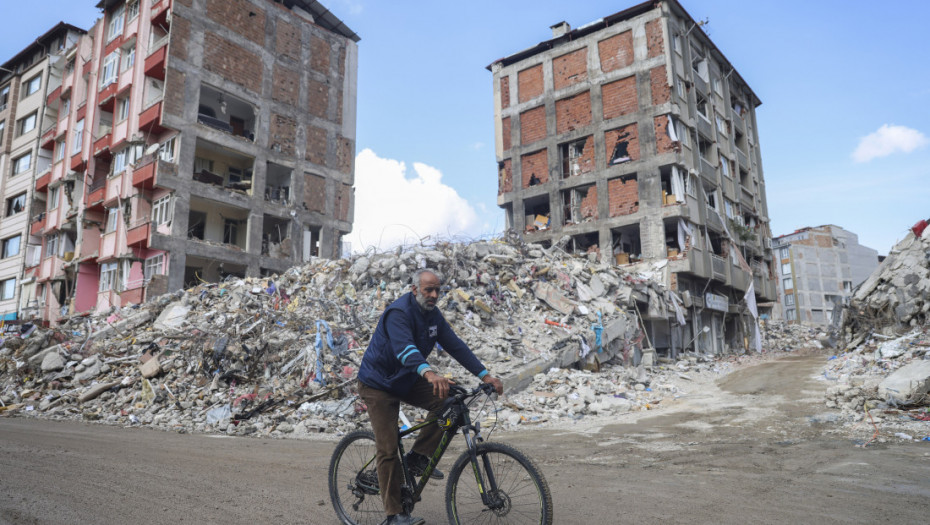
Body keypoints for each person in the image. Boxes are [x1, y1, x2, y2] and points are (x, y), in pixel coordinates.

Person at [358, 268, 504, 525]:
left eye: (438, 289)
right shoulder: (398, 313)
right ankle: (394, 516)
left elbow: (455, 345)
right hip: (378, 384)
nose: (434, 294)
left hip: (406, 378)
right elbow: (404, 349)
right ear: (415, 289)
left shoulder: (433, 315)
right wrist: (428, 373)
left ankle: (417, 457)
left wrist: (485, 375)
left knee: (450, 401)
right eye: (429, 289)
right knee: (389, 450)